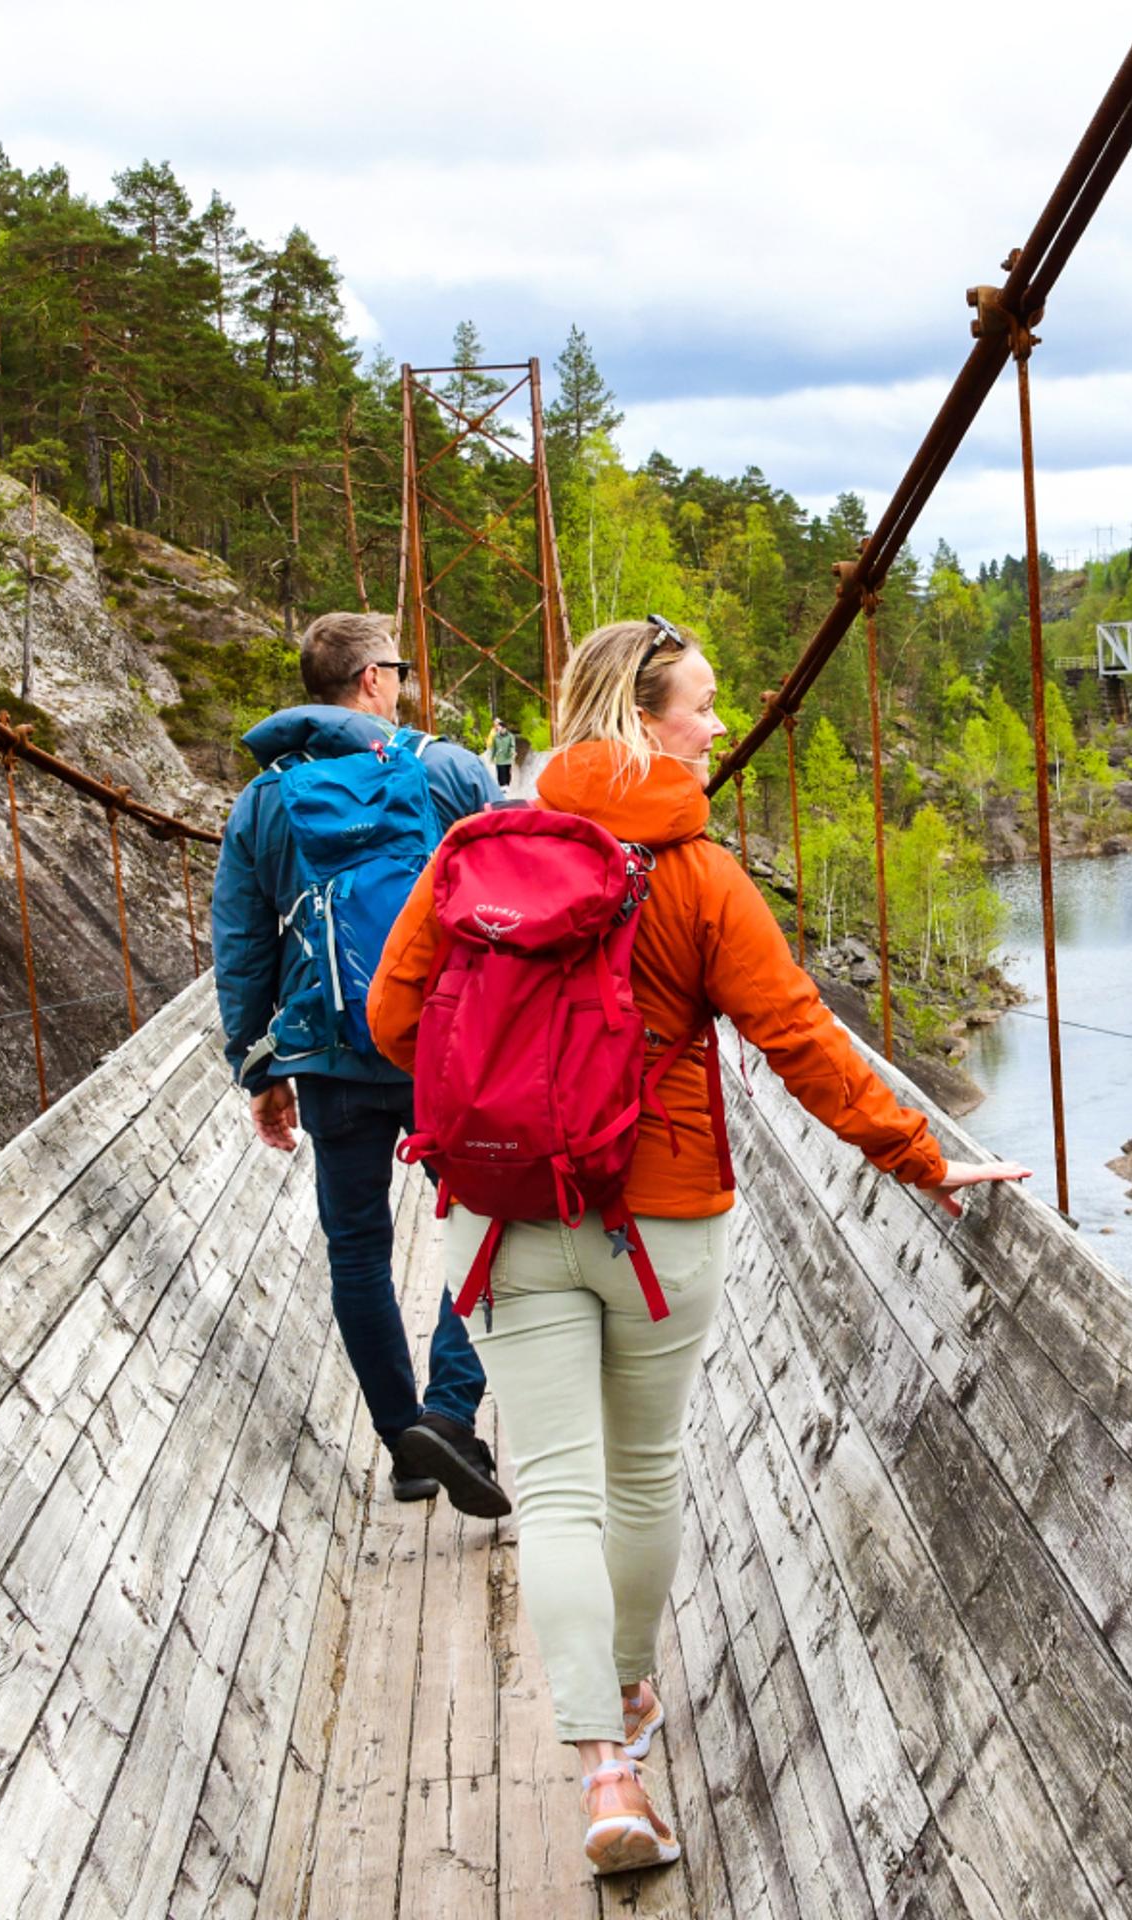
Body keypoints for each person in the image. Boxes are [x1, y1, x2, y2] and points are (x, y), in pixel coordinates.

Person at [369, 615, 1027, 1874]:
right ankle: (625, 1692)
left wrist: (512, 1090)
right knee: (643, 1472)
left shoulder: (467, 851)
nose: (721, 726)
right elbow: (801, 1040)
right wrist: (920, 1153)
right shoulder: (699, 871)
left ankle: (606, 1777)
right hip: (660, 1212)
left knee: (555, 1488)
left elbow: (394, 1025)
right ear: (646, 712)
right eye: (705, 705)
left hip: (498, 1220)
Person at [210, 611, 510, 1516]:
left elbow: (241, 942)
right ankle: (452, 1412)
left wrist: (257, 1068)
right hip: (444, 1045)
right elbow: (513, 885)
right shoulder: (447, 770)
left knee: (358, 1248)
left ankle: (405, 1444)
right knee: (491, 1225)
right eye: (401, 668)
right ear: (375, 680)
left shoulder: (264, 802)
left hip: (332, 1058)